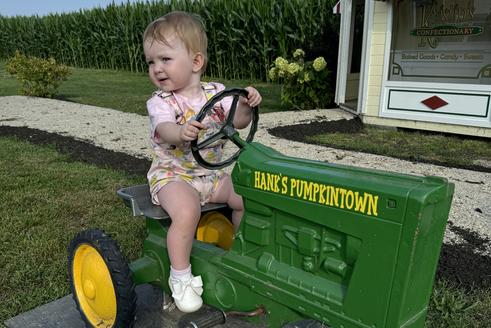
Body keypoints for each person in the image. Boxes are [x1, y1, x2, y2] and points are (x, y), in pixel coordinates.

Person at [142, 11, 262, 313]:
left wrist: (246, 105)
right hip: (173, 176)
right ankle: (180, 277)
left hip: (212, 175)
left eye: (164, 59)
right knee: (187, 210)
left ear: (195, 62)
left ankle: (239, 250)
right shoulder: (161, 102)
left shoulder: (218, 93)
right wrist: (181, 132)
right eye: (151, 62)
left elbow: (238, 122)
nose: (156, 69)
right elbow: (164, 129)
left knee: (246, 196)